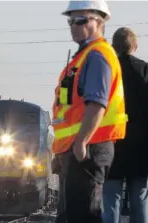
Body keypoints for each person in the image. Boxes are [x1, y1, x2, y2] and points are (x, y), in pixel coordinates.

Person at [51, 0, 128, 222]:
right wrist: (60, 151)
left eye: (81, 20)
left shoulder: (97, 56)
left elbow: (97, 104)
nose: (74, 26)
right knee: (70, 216)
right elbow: (68, 112)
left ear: (100, 21)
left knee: (83, 216)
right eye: (71, 21)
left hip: (89, 148)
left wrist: (81, 142)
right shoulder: (81, 58)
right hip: (76, 149)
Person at [103, 27, 148, 223]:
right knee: (139, 199)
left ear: (113, 47)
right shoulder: (145, 70)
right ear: (135, 47)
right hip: (141, 147)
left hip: (111, 145)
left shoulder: (106, 71)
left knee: (111, 198)